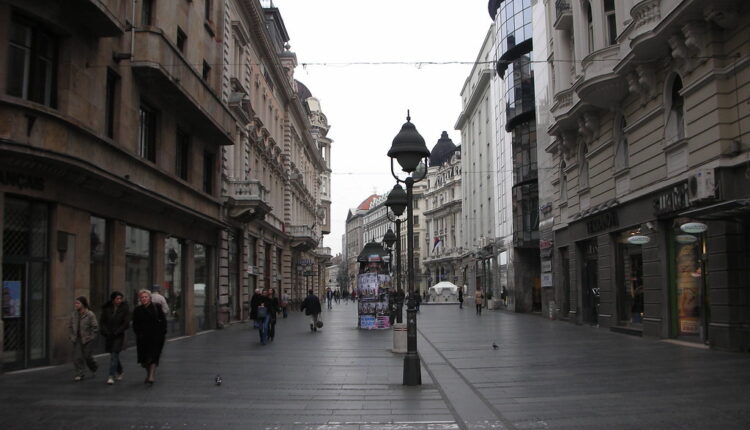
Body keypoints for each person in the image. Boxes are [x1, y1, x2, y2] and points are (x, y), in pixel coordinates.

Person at [132, 289, 167, 385]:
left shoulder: (157, 307)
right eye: (142, 297)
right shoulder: (137, 310)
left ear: (150, 298)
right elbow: (135, 324)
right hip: (143, 338)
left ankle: (151, 375)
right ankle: (148, 374)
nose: (144, 299)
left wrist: (162, 333)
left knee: (153, 356)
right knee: (144, 360)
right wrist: (138, 333)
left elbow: (163, 321)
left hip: (156, 337)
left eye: (146, 297)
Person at [100, 291, 131, 385]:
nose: (119, 300)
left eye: (121, 298)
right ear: (113, 299)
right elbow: (102, 321)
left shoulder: (125, 308)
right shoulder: (107, 309)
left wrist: (118, 331)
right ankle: (120, 371)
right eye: (117, 298)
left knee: (114, 354)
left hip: (118, 335)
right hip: (109, 335)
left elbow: (126, 323)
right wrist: (105, 331)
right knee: (114, 355)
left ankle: (111, 376)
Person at [68, 296, 99, 381]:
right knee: (77, 357)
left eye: (78, 303)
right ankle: (80, 373)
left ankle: (94, 366)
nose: (76, 305)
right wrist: (71, 336)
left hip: (87, 339)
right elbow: (70, 326)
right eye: (75, 303)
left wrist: (91, 337)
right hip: (77, 338)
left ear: (83, 304)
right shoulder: (74, 314)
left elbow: (95, 327)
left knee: (87, 356)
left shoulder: (90, 314)